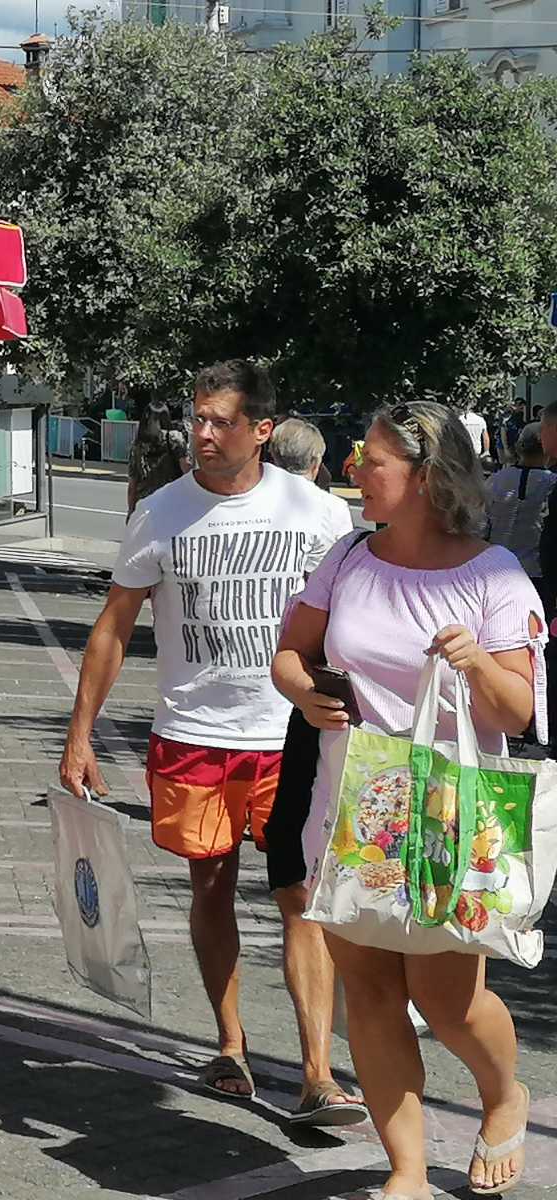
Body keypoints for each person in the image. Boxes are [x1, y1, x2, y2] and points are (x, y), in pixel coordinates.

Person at [60, 360, 364, 1123]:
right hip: (193, 734)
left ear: (263, 429)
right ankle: (229, 1045)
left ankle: (318, 1072)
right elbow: (114, 626)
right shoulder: (160, 512)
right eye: (198, 417)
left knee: (301, 898)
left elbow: (349, 627)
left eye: (222, 421)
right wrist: (80, 735)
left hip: (293, 735)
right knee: (210, 888)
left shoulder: (318, 513)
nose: (202, 433)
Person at [274, 401, 541, 1199]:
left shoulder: (492, 572)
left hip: (449, 816)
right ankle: (409, 1173)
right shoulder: (350, 555)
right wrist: (304, 694)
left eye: (374, 459)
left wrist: (476, 663)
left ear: (425, 477)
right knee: (373, 993)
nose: (357, 469)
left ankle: (505, 1095)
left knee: (448, 999)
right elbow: (293, 652)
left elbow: (516, 713)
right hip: (352, 805)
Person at [485, 423, 556, 603]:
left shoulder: (496, 480)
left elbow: (481, 526)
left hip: (496, 570)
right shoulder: (551, 483)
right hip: (536, 573)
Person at [270, 417, 355, 540]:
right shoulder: (335, 508)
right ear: (316, 462)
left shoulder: (253, 499)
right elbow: (344, 554)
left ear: (274, 456)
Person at [126, 400, 190, 513]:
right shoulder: (174, 438)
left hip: (147, 505)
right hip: (170, 503)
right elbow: (187, 472)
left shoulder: (138, 445)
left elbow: (133, 485)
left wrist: (131, 512)